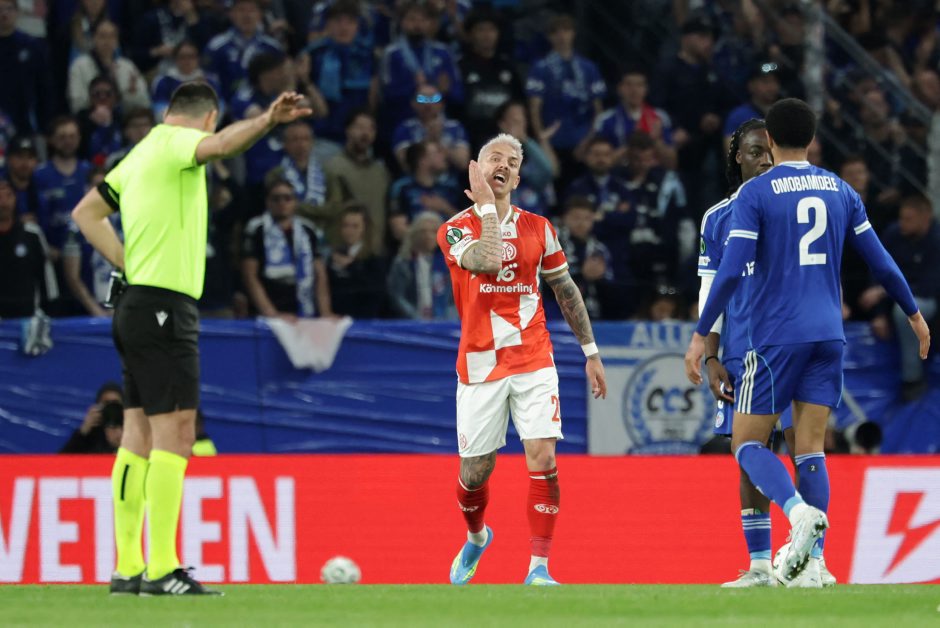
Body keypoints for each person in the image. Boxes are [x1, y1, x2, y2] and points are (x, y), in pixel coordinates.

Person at [71, 81, 311, 596]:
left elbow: (85, 213)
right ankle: (162, 568)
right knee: (177, 435)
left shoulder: (139, 154)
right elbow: (221, 147)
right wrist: (268, 120)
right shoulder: (180, 143)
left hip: (134, 304)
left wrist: (127, 261)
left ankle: (128, 567)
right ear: (208, 117)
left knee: (136, 435)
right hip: (164, 307)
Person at [686, 98, 930, 587]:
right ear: (813, 139)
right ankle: (813, 566)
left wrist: (699, 335)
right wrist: (914, 314)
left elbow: (729, 273)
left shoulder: (758, 193)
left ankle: (798, 515)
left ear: (771, 141)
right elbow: (882, 262)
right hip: (829, 335)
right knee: (811, 449)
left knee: (746, 444)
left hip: (775, 337)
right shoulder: (840, 189)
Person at [438, 134, 607, 586]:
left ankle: (538, 568)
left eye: (512, 163)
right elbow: (488, 261)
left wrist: (590, 351)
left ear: (517, 178)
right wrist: (487, 209)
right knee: (475, 474)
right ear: (476, 169)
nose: (504, 165)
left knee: (542, 455)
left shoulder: (539, 228)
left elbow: (565, 289)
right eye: (495, 158)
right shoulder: (454, 229)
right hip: (479, 365)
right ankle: (477, 537)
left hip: (534, 358)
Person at [698, 118, 834, 588]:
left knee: (801, 445)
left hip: (788, 342)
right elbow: (710, 289)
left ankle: (812, 562)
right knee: (749, 453)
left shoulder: (789, 205)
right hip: (741, 350)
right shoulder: (717, 218)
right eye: (754, 152)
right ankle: (759, 565)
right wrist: (709, 354)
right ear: (738, 156)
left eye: (768, 151)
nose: (764, 160)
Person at [858, 195, 940, 401]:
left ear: (925, 218)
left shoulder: (936, 239)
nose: (903, 223)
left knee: (905, 313)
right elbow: (878, 270)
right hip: (894, 294)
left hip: (926, 298)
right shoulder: (893, 234)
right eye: (901, 218)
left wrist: (884, 291)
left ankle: (912, 378)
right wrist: (878, 314)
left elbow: (928, 287)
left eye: (909, 219)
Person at [241, 177, 332, 320]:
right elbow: (250, 275)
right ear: (267, 201)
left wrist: (325, 313)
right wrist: (271, 314)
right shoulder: (256, 228)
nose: (282, 203)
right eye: (276, 199)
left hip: (304, 307)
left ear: (296, 201)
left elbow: (320, 274)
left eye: (287, 198)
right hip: (267, 309)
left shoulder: (308, 229)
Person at [323, 109, 390, 253]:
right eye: (359, 127)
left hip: (376, 250)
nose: (365, 133)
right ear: (348, 130)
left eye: (370, 129)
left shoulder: (380, 171)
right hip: (344, 251)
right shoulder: (334, 167)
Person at [0, 179, 58, 319]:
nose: (3, 203)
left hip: (28, 316)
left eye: (8, 196)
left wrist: (50, 310)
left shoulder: (32, 234)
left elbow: (46, 275)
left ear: (15, 199)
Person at [67, 20, 151, 114]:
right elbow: (77, 104)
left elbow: (145, 103)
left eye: (112, 36)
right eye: (102, 36)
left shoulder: (127, 66)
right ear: (93, 39)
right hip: (90, 117)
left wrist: (132, 95)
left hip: (124, 118)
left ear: (117, 41)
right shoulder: (79, 66)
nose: (107, 41)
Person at [387, 211, 453, 320]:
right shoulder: (403, 263)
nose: (428, 236)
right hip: (412, 322)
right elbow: (397, 296)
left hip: (442, 322)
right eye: (423, 231)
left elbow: (454, 299)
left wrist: (445, 319)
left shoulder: (449, 264)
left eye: (433, 232)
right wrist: (415, 318)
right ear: (415, 234)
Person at [327, 204, 386, 318]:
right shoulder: (334, 256)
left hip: (363, 320)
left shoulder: (374, 258)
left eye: (355, 226)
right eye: (345, 226)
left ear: (365, 228)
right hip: (337, 319)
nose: (349, 231)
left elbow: (376, 291)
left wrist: (351, 267)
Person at [60, 382, 124, 454]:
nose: (111, 407)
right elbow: (62, 459)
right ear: (98, 406)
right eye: (107, 403)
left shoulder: (130, 430)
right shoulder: (91, 434)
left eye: (115, 403)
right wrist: (83, 430)